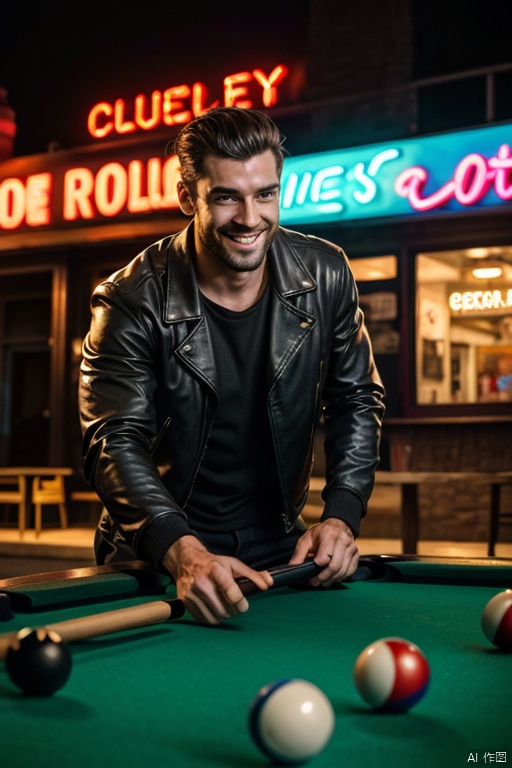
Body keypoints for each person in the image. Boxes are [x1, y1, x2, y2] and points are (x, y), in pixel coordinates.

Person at [79, 107, 385, 625]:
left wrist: (341, 518)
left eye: (265, 194)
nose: (249, 217)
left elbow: (356, 398)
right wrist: (181, 550)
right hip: (164, 555)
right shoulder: (130, 299)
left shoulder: (327, 273)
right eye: (226, 197)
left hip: (285, 555)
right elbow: (114, 437)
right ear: (186, 198)